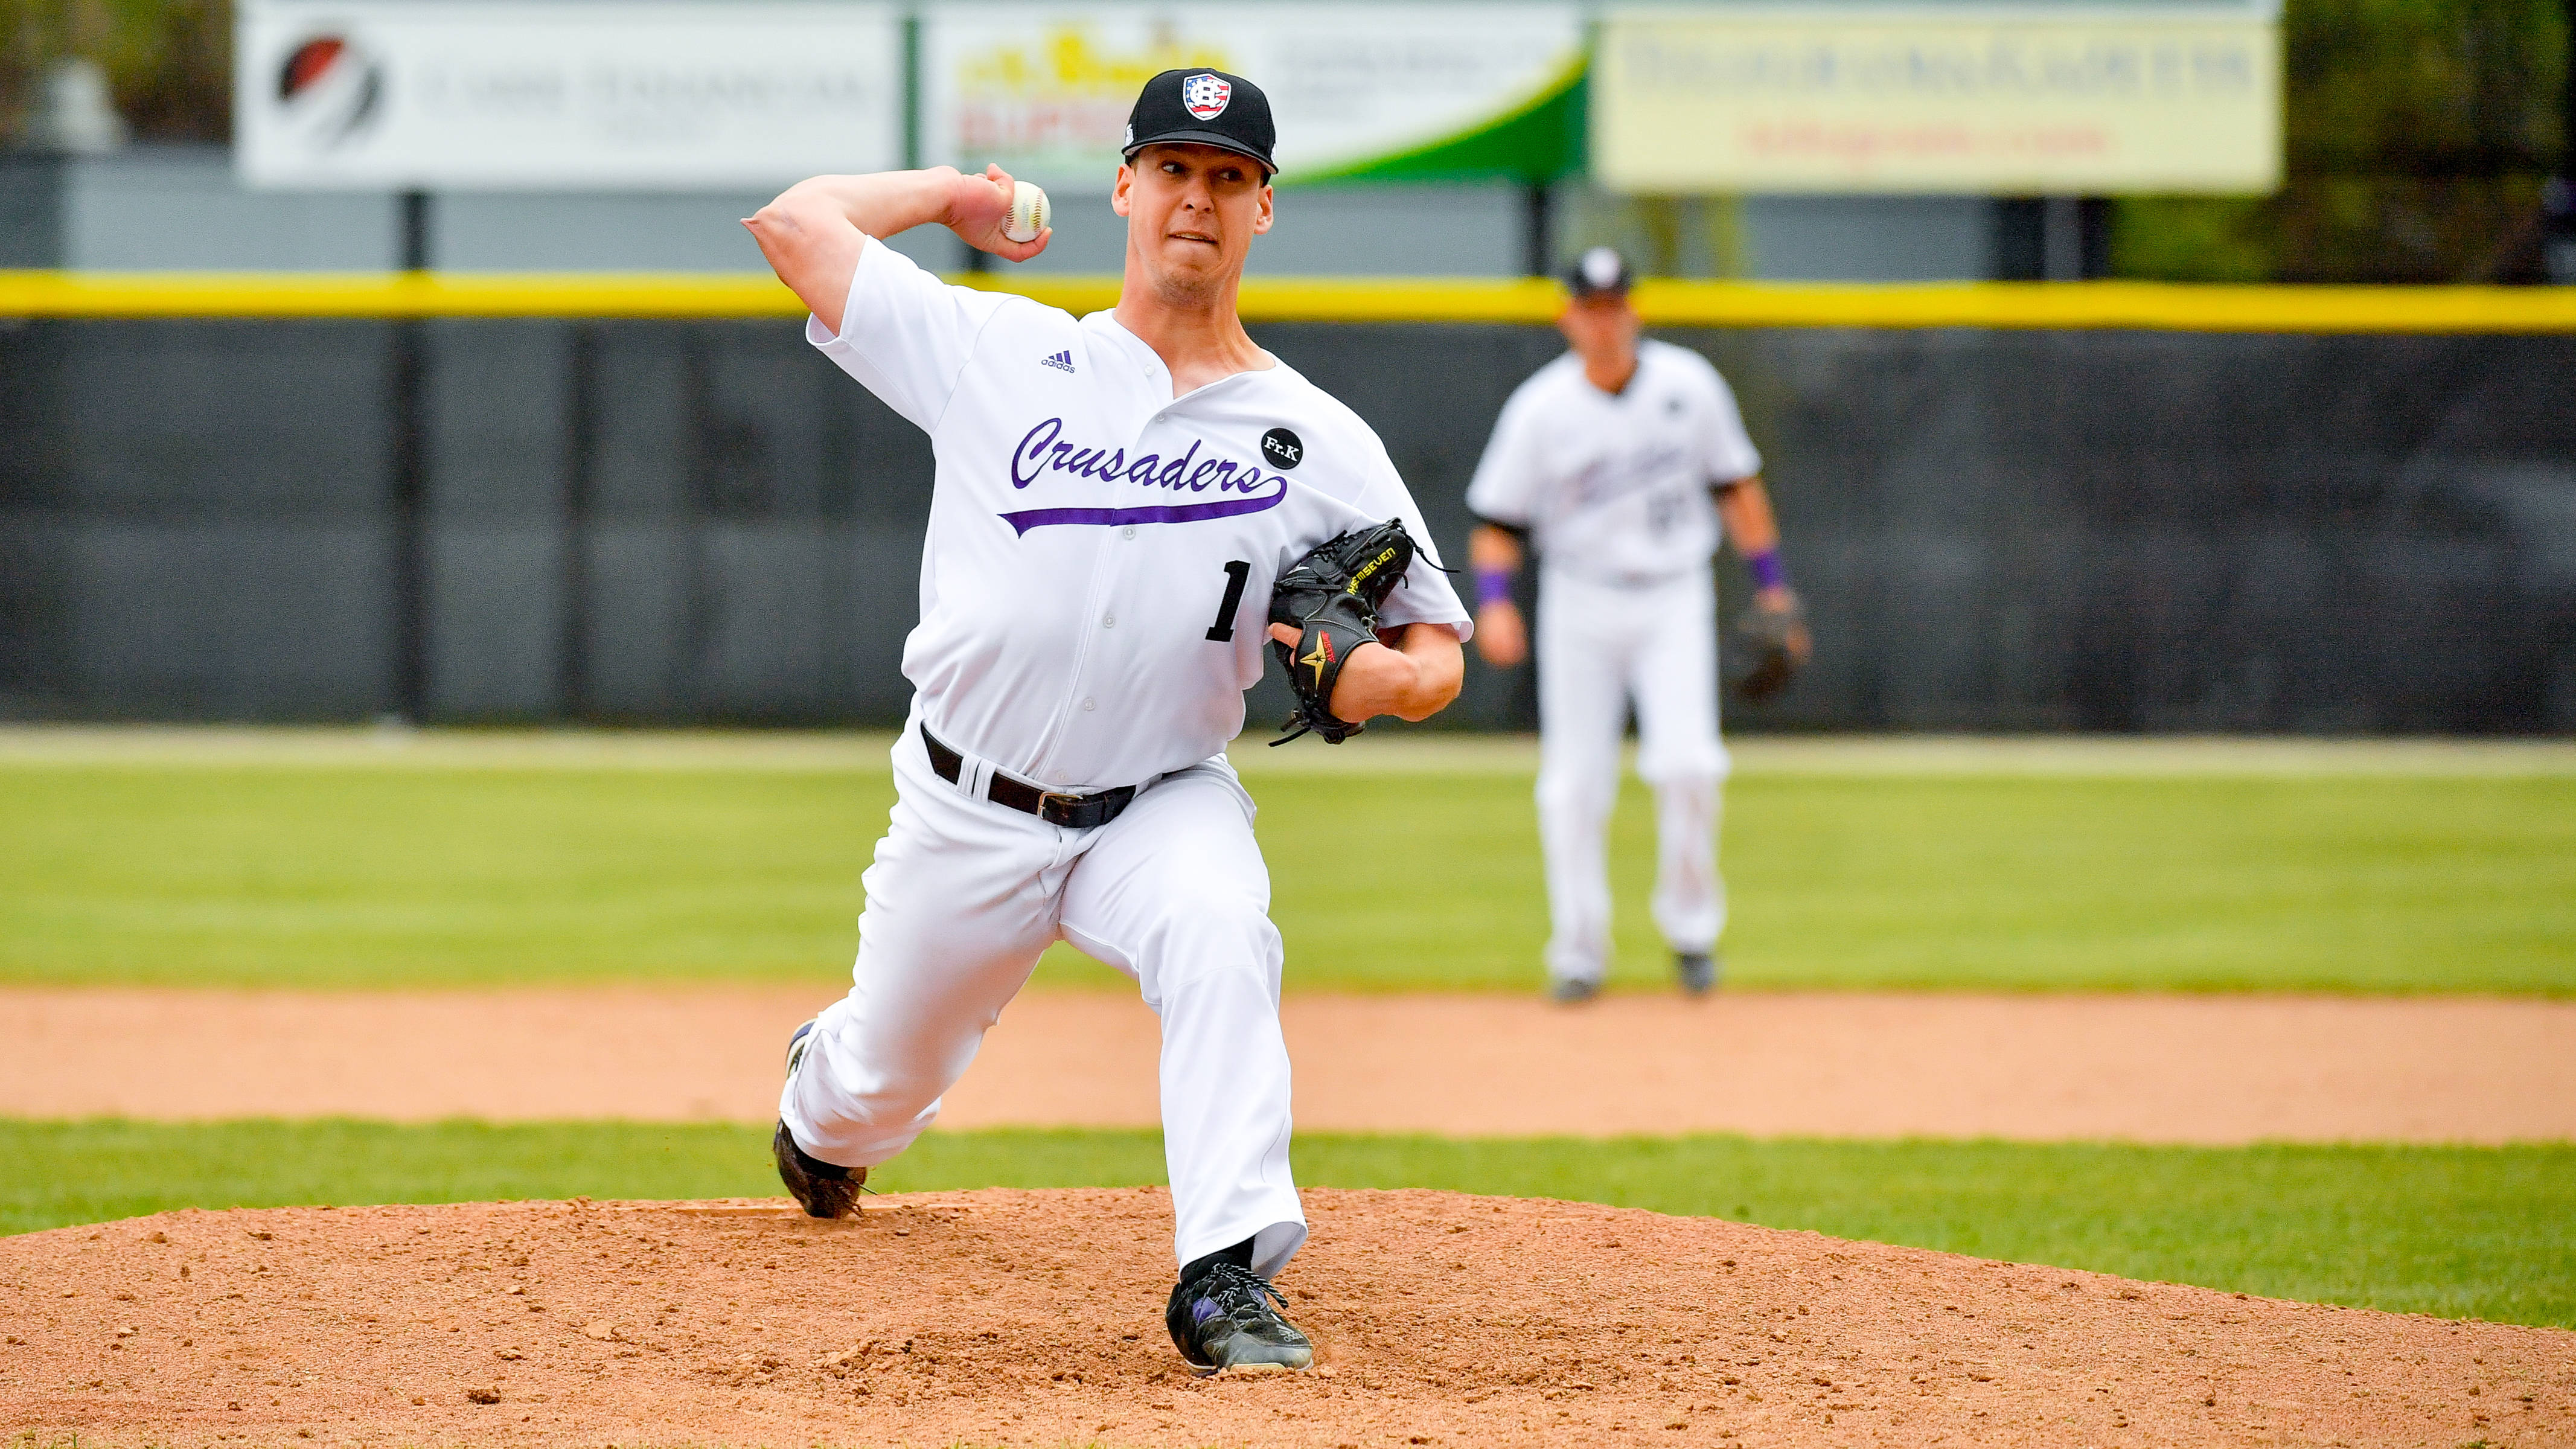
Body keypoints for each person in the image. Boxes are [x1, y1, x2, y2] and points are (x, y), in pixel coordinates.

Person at [741, 68, 1468, 1374]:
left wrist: (1387, 682)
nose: (1199, 197)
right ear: (1127, 188)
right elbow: (796, 227)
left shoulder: (1315, 436)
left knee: (1221, 934)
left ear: (1263, 212)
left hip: (1157, 797)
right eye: (1175, 169)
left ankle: (1223, 1277)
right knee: (871, 1097)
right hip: (968, 805)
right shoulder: (1000, 351)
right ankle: (824, 1096)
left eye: (1229, 177)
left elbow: (1432, 645)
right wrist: (954, 194)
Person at [1465, 247, 1808, 1004]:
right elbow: (1496, 522)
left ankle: (1691, 932)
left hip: (1672, 595)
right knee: (1572, 785)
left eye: (1615, 303)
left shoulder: (1690, 386)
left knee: (1688, 765)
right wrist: (1494, 599)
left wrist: (1774, 589)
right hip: (1577, 598)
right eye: (1590, 305)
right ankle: (1578, 952)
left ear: (1635, 310)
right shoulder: (1539, 408)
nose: (1604, 319)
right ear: (1567, 315)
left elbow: (1737, 489)